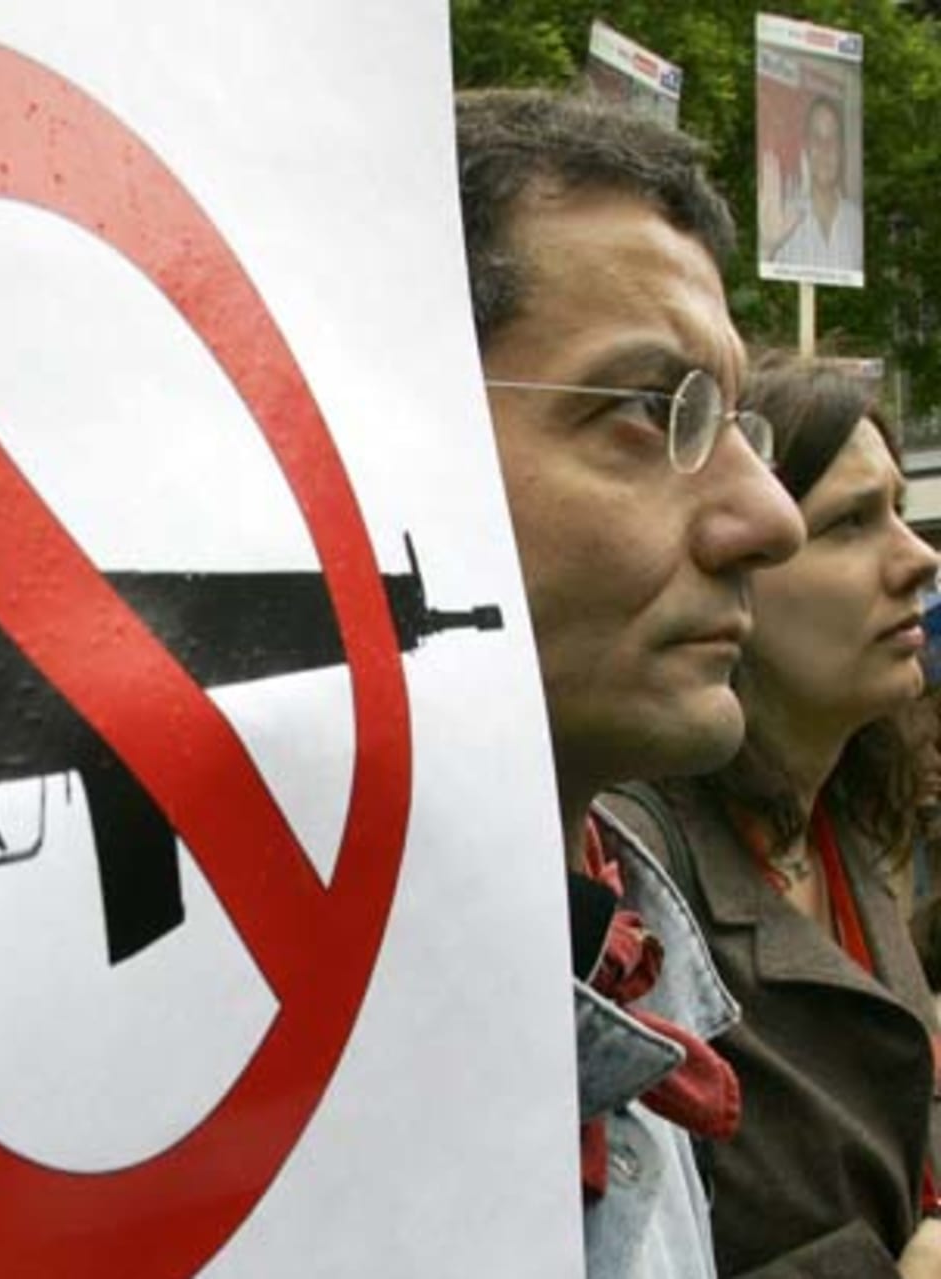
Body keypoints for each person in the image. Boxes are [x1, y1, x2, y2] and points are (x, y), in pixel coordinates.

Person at [457, 88, 807, 1278]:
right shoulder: (189, 1064)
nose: (770, 517)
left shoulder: (636, 968)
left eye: (735, 419)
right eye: (654, 410)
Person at [603, 358, 941, 1277]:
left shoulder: (849, 825)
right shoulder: (635, 874)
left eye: (901, 513)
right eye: (850, 524)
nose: (918, 557)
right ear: (737, 561)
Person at [760, 93, 863, 275]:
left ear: (842, 150)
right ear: (805, 146)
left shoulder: (857, 223)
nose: (825, 147)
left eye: (833, 137)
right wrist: (767, 247)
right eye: (817, 137)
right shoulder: (782, 219)